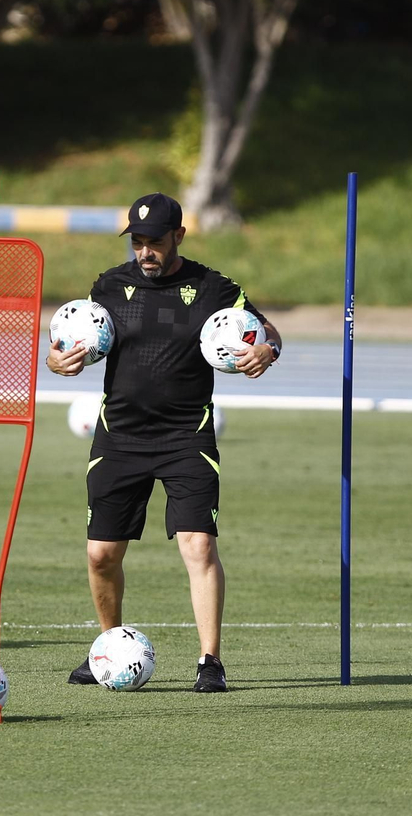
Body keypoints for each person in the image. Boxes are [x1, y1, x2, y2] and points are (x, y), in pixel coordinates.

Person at [47, 193, 281, 692]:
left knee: (199, 547)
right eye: (137, 241)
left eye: (155, 241)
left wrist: (266, 348)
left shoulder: (213, 287)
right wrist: (56, 360)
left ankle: (210, 662)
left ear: (178, 236)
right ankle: (110, 647)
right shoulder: (109, 286)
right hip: (120, 438)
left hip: (186, 438)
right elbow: (70, 343)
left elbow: (268, 331)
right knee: (100, 555)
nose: (145, 251)